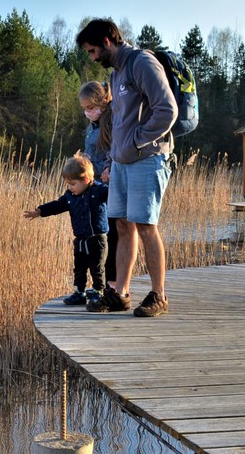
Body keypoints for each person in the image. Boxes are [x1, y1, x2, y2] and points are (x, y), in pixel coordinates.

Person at [75, 18, 176, 318]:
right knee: (122, 225)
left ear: (107, 41)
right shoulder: (117, 75)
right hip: (121, 163)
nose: (92, 58)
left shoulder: (142, 63)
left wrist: (135, 141)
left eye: (93, 51)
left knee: (146, 226)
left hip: (148, 158)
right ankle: (121, 294)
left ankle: (159, 295)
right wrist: (115, 156)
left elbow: (167, 110)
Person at [23, 153, 109, 306]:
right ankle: (79, 292)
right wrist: (40, 211)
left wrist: (111, 179)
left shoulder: (99, 191)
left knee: (97, 267)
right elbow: (57, 205)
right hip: (80, 239)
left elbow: (113, 192)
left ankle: (98, 292)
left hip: (97, 238)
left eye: (73, 183)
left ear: (86, 180)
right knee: (79, 268)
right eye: (68, 184)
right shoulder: (70, 196)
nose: (70, 187)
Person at [78, 80, 119, 295]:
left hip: (108, 186)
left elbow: (116, 147)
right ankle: (98, 283)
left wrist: (109, 166)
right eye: (84, 109)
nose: (87, 113)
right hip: (93, 185)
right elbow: (90, 151)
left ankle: (111, 282)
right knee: (96, 235)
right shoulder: (91, 126)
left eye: (89, 108)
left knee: (109, 233)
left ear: (101, 103)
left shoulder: (111, 122)